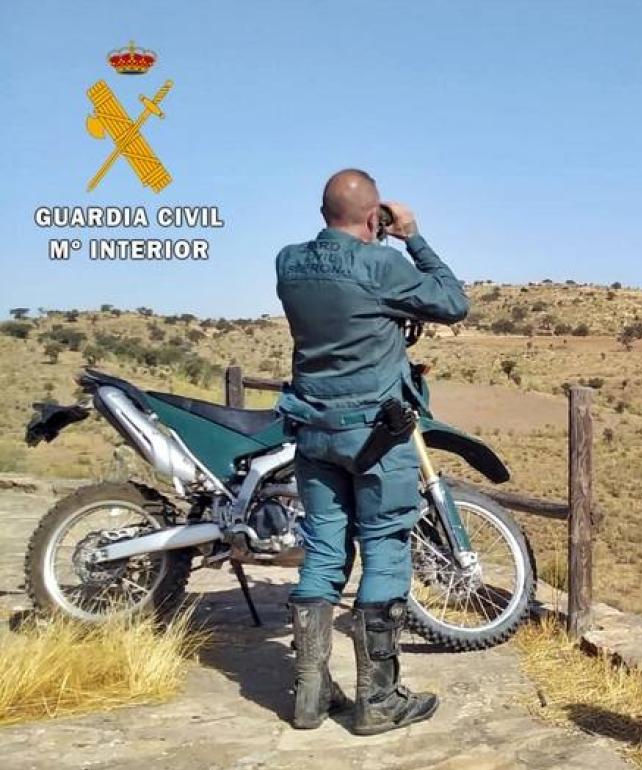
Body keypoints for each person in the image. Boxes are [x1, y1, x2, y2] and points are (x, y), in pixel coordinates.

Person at [274, 169, 469, 735]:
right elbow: (452, 302)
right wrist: (412, 236)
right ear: (372, 217)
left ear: (323, 213)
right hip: (377, 437)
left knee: (323, 553)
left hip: (314, 434)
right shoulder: (382, 264)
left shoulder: (288, 263)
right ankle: (377, 700)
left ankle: (310, 696)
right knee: (385, 548)